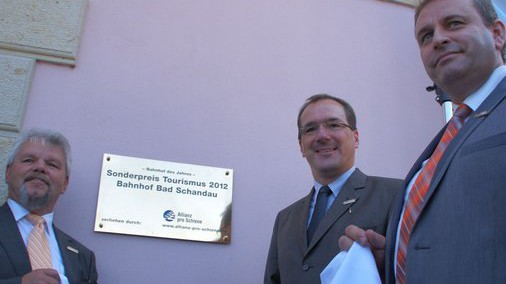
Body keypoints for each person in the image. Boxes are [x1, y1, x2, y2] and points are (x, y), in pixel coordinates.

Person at [339, 0, 506, 283]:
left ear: (497, 33)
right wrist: (393, 259)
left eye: (454, 23)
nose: (439, 38)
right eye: (426, 36)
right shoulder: (445, 139)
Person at [264, 94, 402, 284]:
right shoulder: (285, 219)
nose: (322, 135)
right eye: (310, 129)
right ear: (301, 146)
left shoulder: (396, 194)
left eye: (334, 125)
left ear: (356, 138)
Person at [0, 128, 98, 283]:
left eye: (52, 164)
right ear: (8, 173)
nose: (40, 167)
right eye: (28, 160)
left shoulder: (83, 258)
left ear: (65, 184)